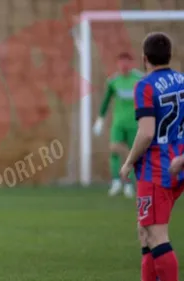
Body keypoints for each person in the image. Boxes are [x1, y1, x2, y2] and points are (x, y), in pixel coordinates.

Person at [120, 32, 184, 281]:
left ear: (144, 58)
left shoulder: (144, 86)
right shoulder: (182, 80)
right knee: (145, 233)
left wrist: (128, 162)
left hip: (157, 171)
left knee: (157, 236)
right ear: (170, 55)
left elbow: (146, 133)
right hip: (177, 165)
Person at [93, 52, 144, 198]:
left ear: (131, 63)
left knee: (132, 155)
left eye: (126, 62)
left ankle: (128, 183)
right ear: (117, 64)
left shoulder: (139, 80)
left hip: (134, 124)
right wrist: (100, 120)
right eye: (121, 62)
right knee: (114, 150)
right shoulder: (113, 81)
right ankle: (116, 181)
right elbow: (106, 101)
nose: (124, 65)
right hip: (118, 124)